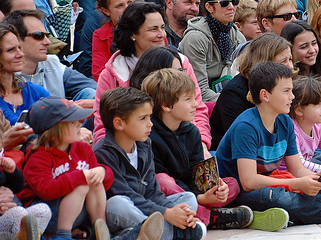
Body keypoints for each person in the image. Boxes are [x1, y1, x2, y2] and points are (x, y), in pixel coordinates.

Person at [215, 62, 321, 227]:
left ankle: (283, 214)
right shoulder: (246, 127)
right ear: (265, 95)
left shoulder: (285, 122)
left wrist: (315, 180)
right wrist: (296, 184)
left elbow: (297, 169)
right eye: (286, 91)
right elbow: (249, 182)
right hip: (238, 191)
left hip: (272, 182)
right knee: (278, 197)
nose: (292, 96)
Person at [92, 2, 211, 152]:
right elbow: (103, 125)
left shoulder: (180, 63)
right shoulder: (112, 73)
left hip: (184, 146)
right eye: (153, 29)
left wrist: (202, 146)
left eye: (162, 27)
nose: (162, 34)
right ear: (132, 34)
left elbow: (198, 110)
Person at [141, 69, 253, 230]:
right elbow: (157, 182)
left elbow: (198, 171)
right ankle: (212, 217)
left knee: (232, 184)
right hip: (169, 197)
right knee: (163, 181)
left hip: (193, 192)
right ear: (166, 105)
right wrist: (199, 198)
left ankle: (202, 210)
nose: (195, 104)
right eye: (188, 99)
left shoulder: (192, 131)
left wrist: (215, 187)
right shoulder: (149, 135)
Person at [94, 87, 206, 239]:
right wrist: (166, 213)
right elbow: (126, 194)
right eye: (143, 118)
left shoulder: (144, 145)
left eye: (150, 117)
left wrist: (174, 213)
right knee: (118, 203)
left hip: (147, 209)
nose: (150, 124)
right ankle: (175, 233)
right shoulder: (103, 153)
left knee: (188, 199)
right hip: (121, 214)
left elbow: (153, 191)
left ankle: (135, 235)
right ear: (119, 123)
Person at [20, 98, 117, 239]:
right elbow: (45, 190)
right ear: (52, 132)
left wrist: (102, 171)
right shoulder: (39, 157)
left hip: (79, 213)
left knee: (94, 182)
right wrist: (80, 177)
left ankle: (100, 229)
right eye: (73, 122)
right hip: (49, 217)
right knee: (82, 185)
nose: (80, 124)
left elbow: (106, 183)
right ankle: (63, 236)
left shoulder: (83, 148)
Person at [209, 32, 294, 148]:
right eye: (283, 61)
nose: (291, 66)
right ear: (264, 62)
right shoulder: (234, 94)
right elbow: (239, 141)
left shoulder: (284, 86)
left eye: (290, 59)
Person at [178, 0, 246, 102]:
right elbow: (199, 91)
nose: (231, 7)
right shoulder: (195, 38)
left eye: (235, 1)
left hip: (228, 97)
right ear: (209, 7)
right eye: (225, 3)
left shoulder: (236, 34)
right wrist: (235, 103)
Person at [5, 10, 96, 103]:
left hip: (58, 115)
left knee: (90, 93)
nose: (48, 42)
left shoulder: (51, 62)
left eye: (47, 35)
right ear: (16, 39)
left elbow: (95, 87)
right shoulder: (5, 75)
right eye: (39, 36)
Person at [0, 24, 49, 126]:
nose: (21, 54)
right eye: (10, 50)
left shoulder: (35, 92)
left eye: (19, 47)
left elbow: (60, 116)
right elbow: (17, 126)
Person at [92, 0, 134, 81]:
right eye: (120, 5)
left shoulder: (149, 24)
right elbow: (99, 75)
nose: (127, 9)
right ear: (105, 11)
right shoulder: (100, 35)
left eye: (130, 3)